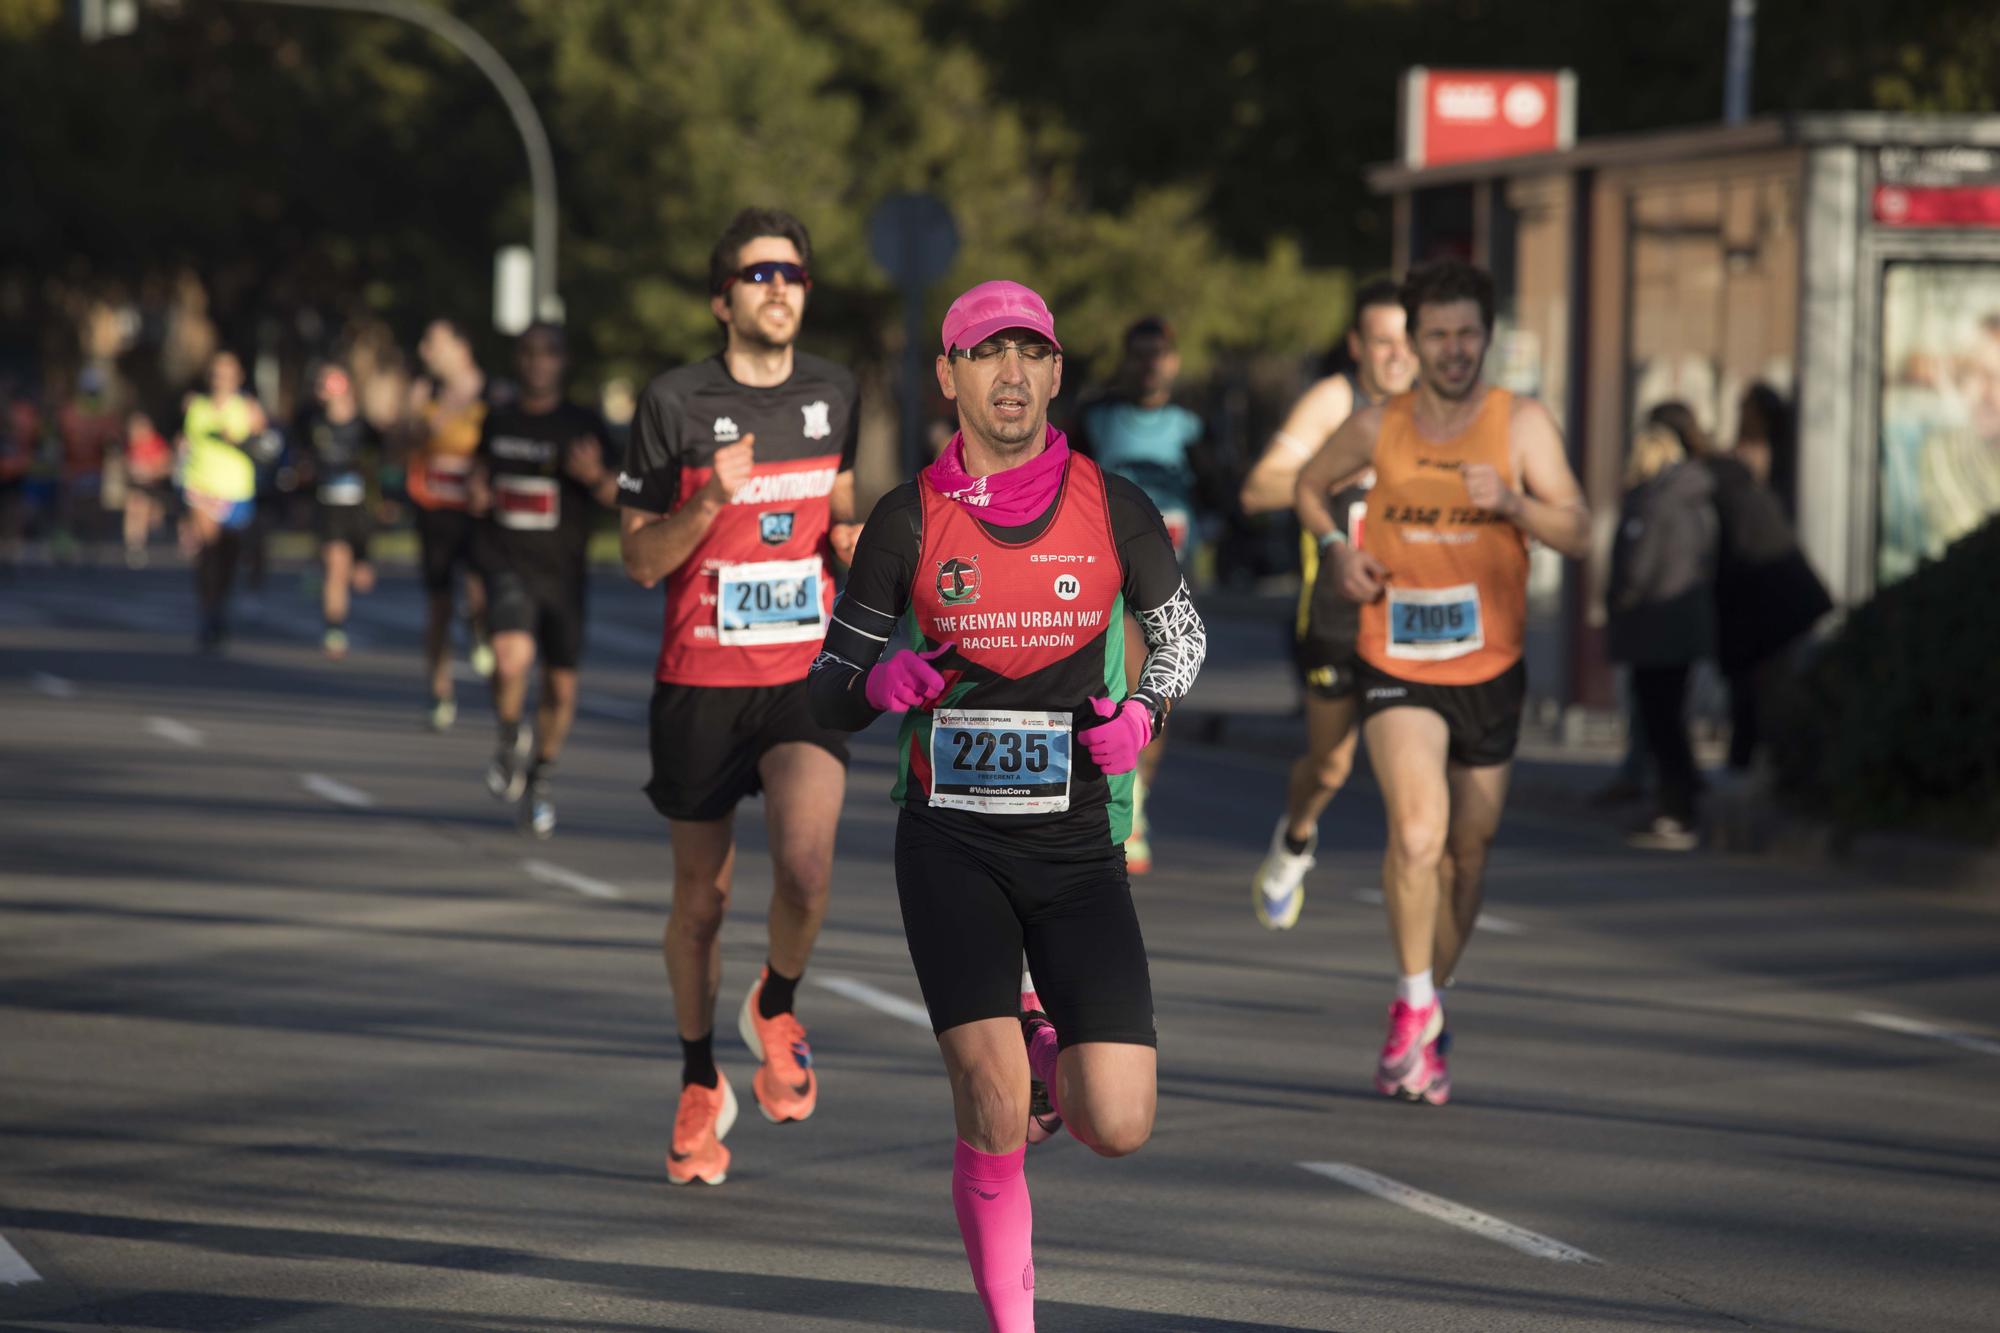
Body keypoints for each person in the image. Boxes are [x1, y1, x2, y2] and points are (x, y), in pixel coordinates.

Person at [809, 279, 1207, 1331]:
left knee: (1115, 1122)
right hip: (951, 843)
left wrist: (1147, 715)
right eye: (987, 354)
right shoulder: (908, 518)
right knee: (988, 1103)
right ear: (949, 377)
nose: (1011, 373)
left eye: (1030, 352)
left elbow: (1182, 639)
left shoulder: (1112, 503)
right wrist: (877, 683)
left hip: (1077, 843)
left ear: (1056, 373)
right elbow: (826, 683)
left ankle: (1045, 1041)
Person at [1300, 259, 1590, 1105]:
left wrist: (1514, 504)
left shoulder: (1521, 424)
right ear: (1414, 342)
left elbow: (1578, 529)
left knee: (1468, 858)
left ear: (1486, 336)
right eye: (1438, 335)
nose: (1455, 349)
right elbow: (1310, 487)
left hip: (1492, 667)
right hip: (1396, 659)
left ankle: (1430, 1011)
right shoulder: (1379, 425)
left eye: (1468, 333)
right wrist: (1338, 551)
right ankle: (1412, 1002)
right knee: (1419, 833)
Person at [617, 208, 860, 1186]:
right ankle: (697, 1076)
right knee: (701, 902)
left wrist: (848, 540)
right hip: (698, 683)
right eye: (758, 275)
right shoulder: (673, 402)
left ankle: (778, 999)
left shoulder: (834, 391)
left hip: (802, 673)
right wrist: (709, 500)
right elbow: (638, 559)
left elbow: (838, 505)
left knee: (804, 863)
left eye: (793, 275)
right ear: (722, 300)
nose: (778, 289)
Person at [1240, 278, 1415, 928]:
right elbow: (1258, 490)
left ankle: (1420, 956)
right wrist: (1332, 473)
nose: (1398, 355)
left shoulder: (1437, 408)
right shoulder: (1335, 402)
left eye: (1408, 340)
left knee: (1414, 779)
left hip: (1412, 623)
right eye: (1382, 341)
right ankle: (1295, 838)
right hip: (1336, 619)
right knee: (1331, 766)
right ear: (1357, 345)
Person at [473, 323, 618, 837]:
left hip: (563, 573)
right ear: (519, 360)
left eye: (549, 354)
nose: (538, 363)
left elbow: (625, 495)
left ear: (563, 362)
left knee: (559, 685)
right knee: (510, 657)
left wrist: (596, 476)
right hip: (506, 561)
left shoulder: (582, 424)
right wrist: (478, 491)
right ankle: (512, 734)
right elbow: (481, 476)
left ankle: (542, 774)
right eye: (529, 353)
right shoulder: (500, 418)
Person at [1073, 316, 1206, 873]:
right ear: (1127, 360)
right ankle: (1128, 810)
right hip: (1114, 575)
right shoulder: (1098, 420)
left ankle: (1139, 793)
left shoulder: (1192, 428)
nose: (1151, 364)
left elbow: (1220, 487)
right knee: (1128, 679)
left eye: (1160, 354)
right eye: (1141, 354)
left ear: (1174, 361)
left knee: (1161, 690)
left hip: (1174, 572)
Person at [1667, 393, 1830, 775]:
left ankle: (1765, 770)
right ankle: (1761, 767)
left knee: (1763, 698)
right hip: (1776, 603)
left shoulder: (1709, 483)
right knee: (1764, 695)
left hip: (1768, 605)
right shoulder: (1729, 478)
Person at [1606, 421, 1717, 851]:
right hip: (1681, 627)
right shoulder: (1692, 501)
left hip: (1655, 629)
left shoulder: (1653, 504)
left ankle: (1677, 807)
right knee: (1669, 718)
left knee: (1660, 721)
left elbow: (1637, 568)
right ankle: (1680, 798)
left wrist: (1621, 600)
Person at [402, 318, 492, 729]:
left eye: (432, 342)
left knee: (480, 589)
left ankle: (480, 630)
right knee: (438, 604)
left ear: (460, 346)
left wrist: (484, 479)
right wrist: (413, 425)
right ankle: (439, 692)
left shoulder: (491, 392)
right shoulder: (425, 394)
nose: (425, 351)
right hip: (434, 508)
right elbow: (393, 447)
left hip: (478, 512)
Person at [178, 351, 268, 652]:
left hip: (237, 490)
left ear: (238, 377)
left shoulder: (248, 408)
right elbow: (185, 445)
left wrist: (240, 441)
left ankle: (219, 606)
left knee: (228, 557)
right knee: (208, 550)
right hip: (201, 487)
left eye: (228, 374)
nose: (222, 380)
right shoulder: (196, 407)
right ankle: (207, 611)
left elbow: (268, 447)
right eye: (217, 373)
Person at [300, 362, 380, 658]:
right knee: (336, 564)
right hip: (327, 504)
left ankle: (357, 567)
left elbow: (381, 459)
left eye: (329, 382)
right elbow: (299, 458)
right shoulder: (311, 422)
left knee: (357, 575)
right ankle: (334, 627)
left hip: (358, 506)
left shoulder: (363, 426)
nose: (324, 389)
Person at [120, 409, 174, 569]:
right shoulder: (130, 446)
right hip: (137, 487)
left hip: (155, 487)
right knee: (135, 509)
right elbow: (126, 465)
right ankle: (135, 545)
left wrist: (151, 471)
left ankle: (151, 530)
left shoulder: (157, 443)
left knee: (150, 513)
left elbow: (166, 465)